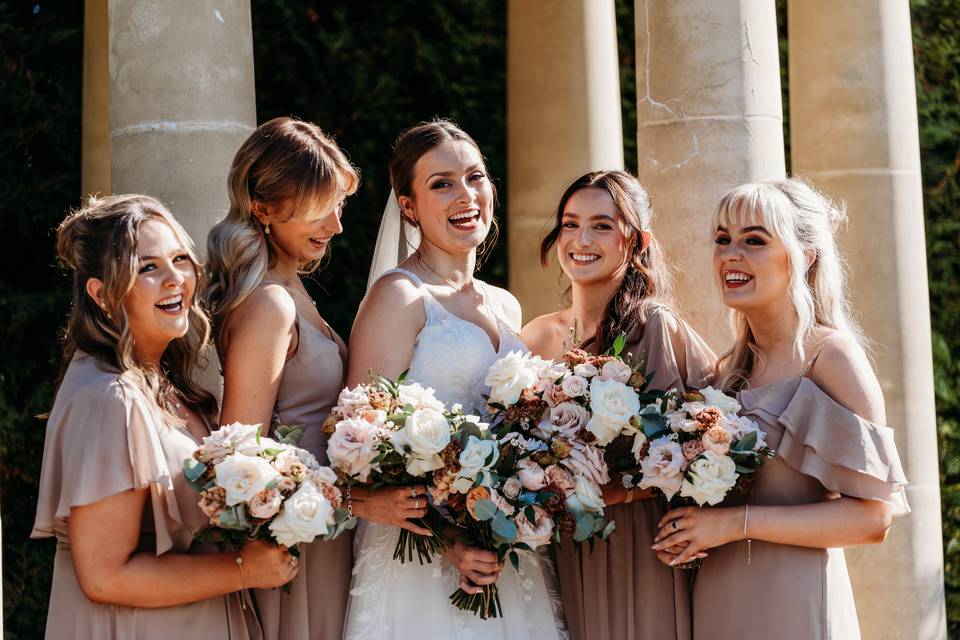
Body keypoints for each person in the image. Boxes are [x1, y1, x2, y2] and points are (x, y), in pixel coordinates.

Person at [652, 178, 909, 639]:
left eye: (754, 240)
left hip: (795, 601)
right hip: (717, 600)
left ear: (805, 256)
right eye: (722, 240)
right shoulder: (725, 374)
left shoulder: (829, 356)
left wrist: (733, 524)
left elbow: (874, 518)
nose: (731, 254)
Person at [32, 194, 296, 640]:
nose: (175, 279)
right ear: (100, 293)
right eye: (147, 268)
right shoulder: (108, 397)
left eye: (180, 259)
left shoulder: (162, 384)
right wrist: (243, 570)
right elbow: (104, 576)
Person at [342, 119, 565, 640]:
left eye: (475, 177)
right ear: (409, 205)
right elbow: (355, 443)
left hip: (502, 551)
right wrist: (450, 541)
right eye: (441, 183)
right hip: (420, 559)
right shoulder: (399, 297)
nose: (465, 195)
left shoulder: (506, 304)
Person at [522, 170, 715, 640]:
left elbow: (692, 451)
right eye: (570, 224)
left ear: (637, 240)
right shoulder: (538, 334)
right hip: (551, 548)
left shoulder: (654, 326)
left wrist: (595, 494)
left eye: (602, 226)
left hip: (631, 544)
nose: (581, 239)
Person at [206, 116, 360, 640]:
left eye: (339, 205)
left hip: (325, 526)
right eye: (320, 209)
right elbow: (240, 454)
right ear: (263, 208)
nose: (336, 226)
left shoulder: (288, 289)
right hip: (295, 543)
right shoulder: (270, 303)